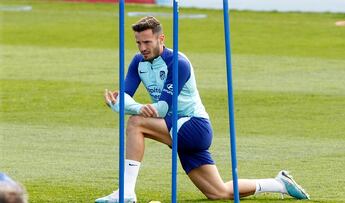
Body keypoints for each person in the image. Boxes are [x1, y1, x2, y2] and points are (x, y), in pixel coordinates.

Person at [95, 16, 310, 203]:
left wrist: (129, 107)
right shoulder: (138, 61)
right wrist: (122, 104)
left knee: (135, 123)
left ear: (161, 39)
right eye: (138, 42)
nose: (142, 48)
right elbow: (123, 95)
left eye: (147, 42)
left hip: (194, 127)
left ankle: (126, 193)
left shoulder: (178, 63)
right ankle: (279, 184)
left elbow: (160, 109)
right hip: (174, 127)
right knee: (218, 192)